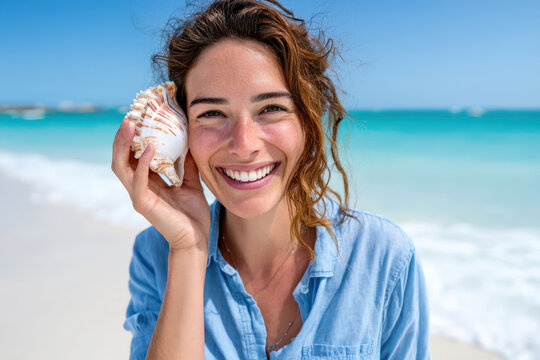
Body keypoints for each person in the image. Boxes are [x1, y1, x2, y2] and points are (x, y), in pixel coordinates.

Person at [112, 0, 430, 359]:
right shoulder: (157, 255)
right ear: (184, 130)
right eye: (213, 113)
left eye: (271, 109)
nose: (244, 145)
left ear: (308, 122)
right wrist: (188, 249)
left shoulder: (383, 257)